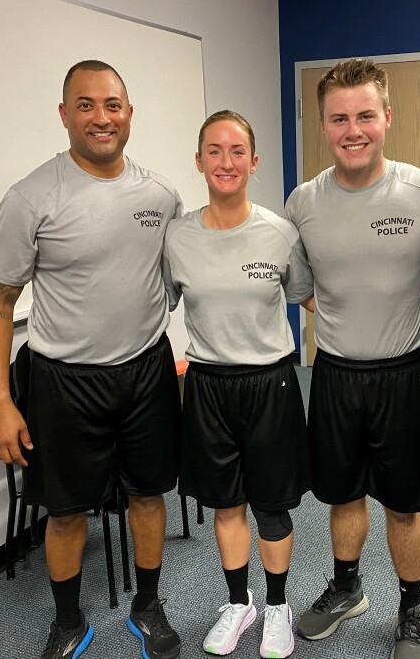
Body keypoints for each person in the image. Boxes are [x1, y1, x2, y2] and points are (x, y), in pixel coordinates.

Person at [0, 60, 183, 659]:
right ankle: (68, 621)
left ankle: (149, 605)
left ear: (129, 112)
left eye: (112, 104)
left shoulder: (161, 195)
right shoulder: (30, 197)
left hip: (145, 372)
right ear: (64, 115)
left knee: (148, 495)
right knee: (65, 511)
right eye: (85, 105)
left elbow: (171, 279)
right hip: (63, 381)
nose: (101, 117)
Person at [285, 58, 420, 659]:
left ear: (387, 116)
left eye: (364, 115)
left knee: (404, 505)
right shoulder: (302, 202)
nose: (352, 129)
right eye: (338, 118)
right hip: (333, 375)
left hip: (404, 374)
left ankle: (411, 609)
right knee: (342, 494)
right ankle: (346, 588)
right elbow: (302, 287)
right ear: (324, 126)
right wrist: (347, 317)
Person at [163, 110, 313, 657]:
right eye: (214, 151)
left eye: (236, 151)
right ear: (199, 160)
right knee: (226, 506)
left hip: (269, 384)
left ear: (254, 160)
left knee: (272, 506)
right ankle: (238, 603)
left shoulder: (280, 233)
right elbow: (158, 304)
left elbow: (308, 297)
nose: (225, 162)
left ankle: (276, 606)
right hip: (207, 385)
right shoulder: (177, 237)